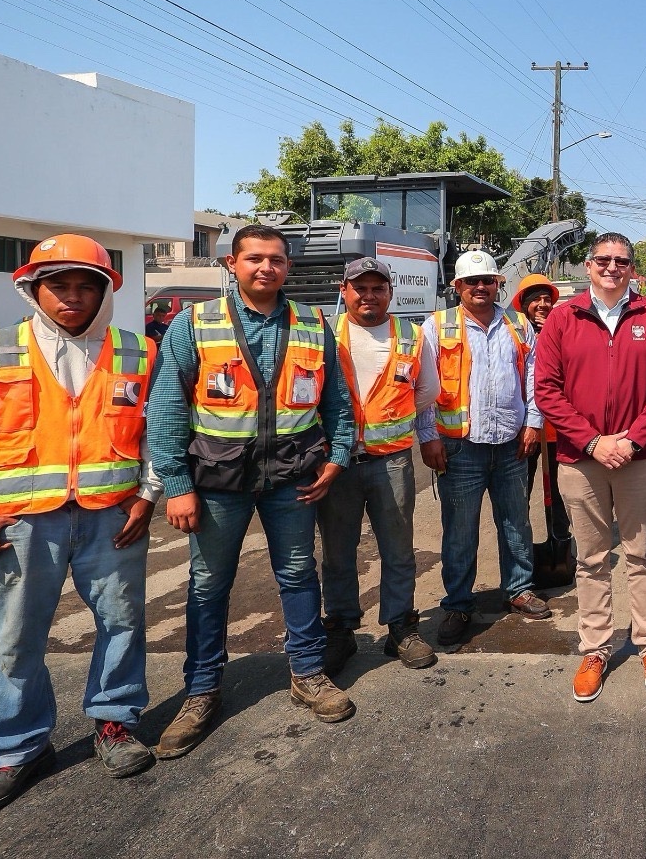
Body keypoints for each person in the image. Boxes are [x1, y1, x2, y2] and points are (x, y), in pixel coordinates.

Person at [0, 236, 159, 818]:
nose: (73, 298)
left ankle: (114, 722)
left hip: (113, 516)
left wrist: (149, 495)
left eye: (88, 286)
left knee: (123, 622)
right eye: (59, 286)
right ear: (34, 289)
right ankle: (18, 747)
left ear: (108, 290)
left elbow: (158, 436)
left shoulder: (137, 351)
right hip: (23, 525)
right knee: (14, 637)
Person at [148, 224, 357, 759]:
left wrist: (336, 457)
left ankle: (308, 673)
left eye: (277, 260)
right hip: (218, 482)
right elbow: (169, 408)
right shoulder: (194, 324)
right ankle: (201, 690)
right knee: (208, 583)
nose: (266, 268)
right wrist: (175, 484)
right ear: (231, 264)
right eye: (255, 259)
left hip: (292, 476)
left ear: (289, 267)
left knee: (297, 572)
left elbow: (335, 398)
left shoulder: (313, 324)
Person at [533, 234, 646, 702]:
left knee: (642, 553)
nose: (612, 267)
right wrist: (594, 442)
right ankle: (595, 648)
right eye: (604, 260)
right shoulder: (563, 318)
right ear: (588, 265)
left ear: (633, 269)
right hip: (583, 459)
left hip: (639, 456)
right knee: (592, 557)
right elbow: (547, 390)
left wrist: (633, 440)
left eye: (621, 261)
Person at [421, 250, 550, 651]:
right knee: (460, 532)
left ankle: (519, 588)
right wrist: (428, 436)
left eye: (488, 280)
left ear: (498, 284)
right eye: (472, 281)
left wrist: (533, 423)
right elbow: (422, 387)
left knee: (516, 522)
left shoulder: (518, 324)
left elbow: (535, 376)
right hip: (460, 447)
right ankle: (459, 604)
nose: (481, 287)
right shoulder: (436, 326)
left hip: (511, 442)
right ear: (457, 286)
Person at [318, 258, 440, 675]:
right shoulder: (324, 333)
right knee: (337, 552)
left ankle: (401, 628)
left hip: (391, 461)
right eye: (360, 288)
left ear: (390, 292)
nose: (369, 296)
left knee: (398, 549)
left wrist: (388, 421)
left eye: (378, 288)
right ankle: (340, 630)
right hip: (337, 464)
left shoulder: (411, 334)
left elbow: (427, 392)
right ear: (344, 289)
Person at [514, 274, 573, 556]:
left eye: (546, 299)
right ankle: (521, 550)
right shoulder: (515, 332)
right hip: (524, 428)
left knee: (560, 494)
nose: (542, 304)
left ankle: (559, 541)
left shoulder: (564, 330)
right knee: (519, 493)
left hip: (557, 429)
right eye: (535, 299)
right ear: (524, 304)